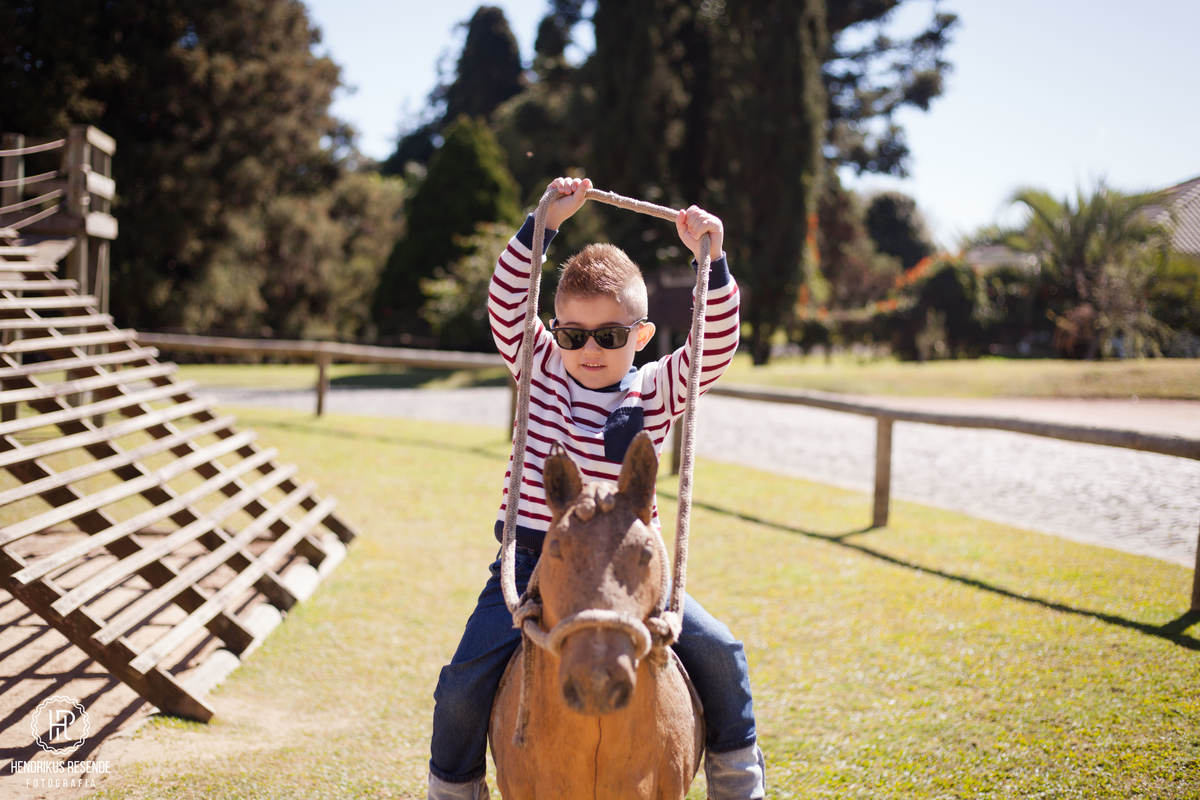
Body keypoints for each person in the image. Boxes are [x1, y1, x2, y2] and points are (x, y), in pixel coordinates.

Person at [428, 177, 765, 800]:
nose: (588, 349)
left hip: (630, 569)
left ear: (639, 336)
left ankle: (737, 781)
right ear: (554, 331)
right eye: (572, 333)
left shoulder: (656, 389)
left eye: (609, 336)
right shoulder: (539, 367)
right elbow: (506, 302)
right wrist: (542, 224)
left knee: (721, 653)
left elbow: (713, 348)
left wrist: (712, 264)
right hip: (535, 560)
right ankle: (455, 789)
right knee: (463, 681)